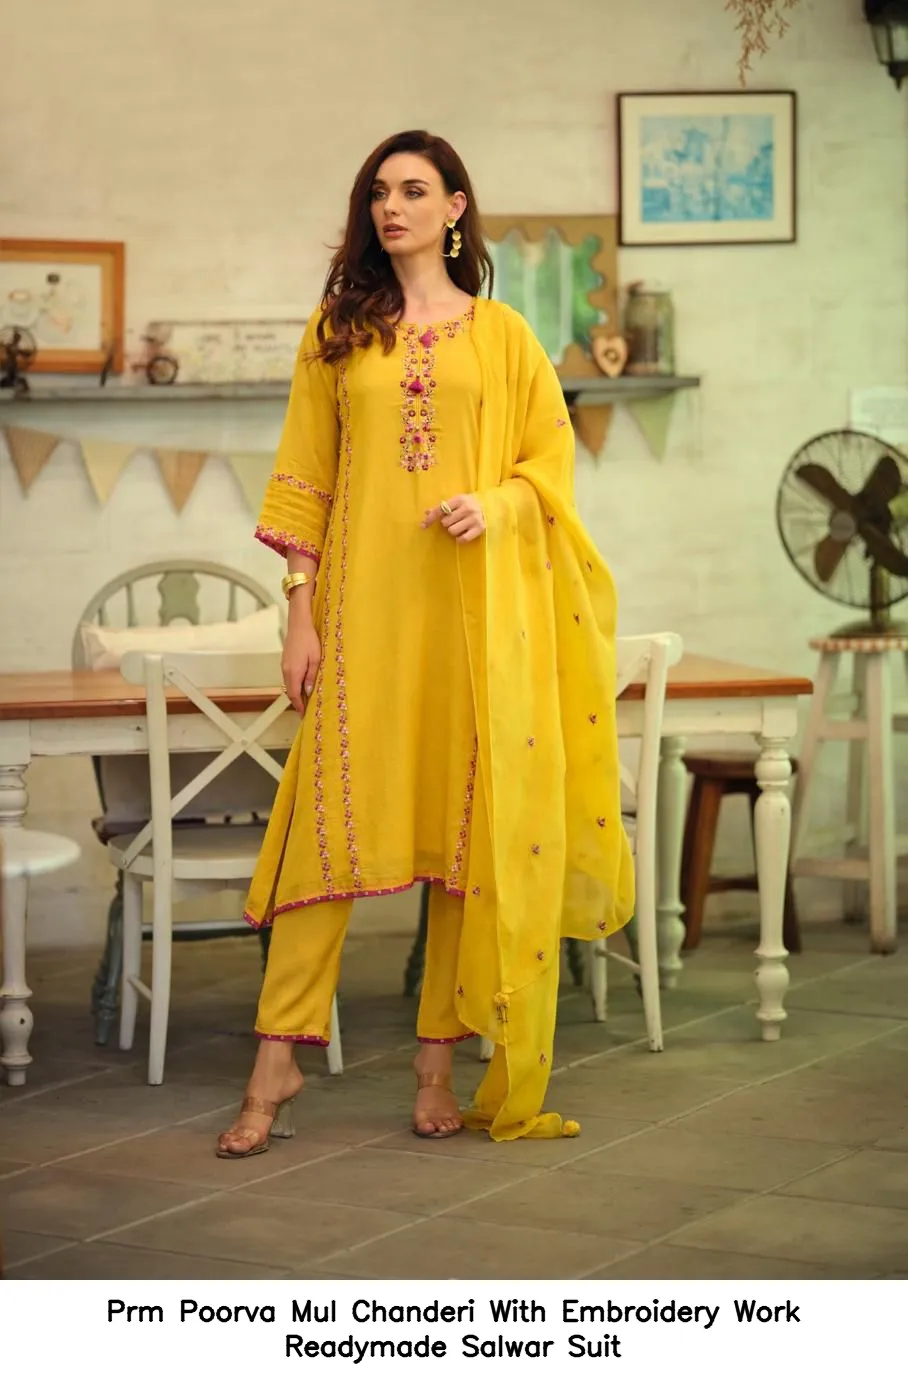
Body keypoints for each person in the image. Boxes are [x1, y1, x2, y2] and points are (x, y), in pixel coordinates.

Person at [216, 130, 634, 1158]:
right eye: (378, 192)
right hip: (361, 616)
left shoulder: (503, 335)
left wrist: (496, 503)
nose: (390, 206)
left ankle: (436, 1068)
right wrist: (299, 608)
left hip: (471, 620)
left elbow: (548, 467)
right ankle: (276, 1060)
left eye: (412, 189)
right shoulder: (338, 333)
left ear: (454, 208)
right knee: (325, 836)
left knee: (462, 847)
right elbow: (303, 478)